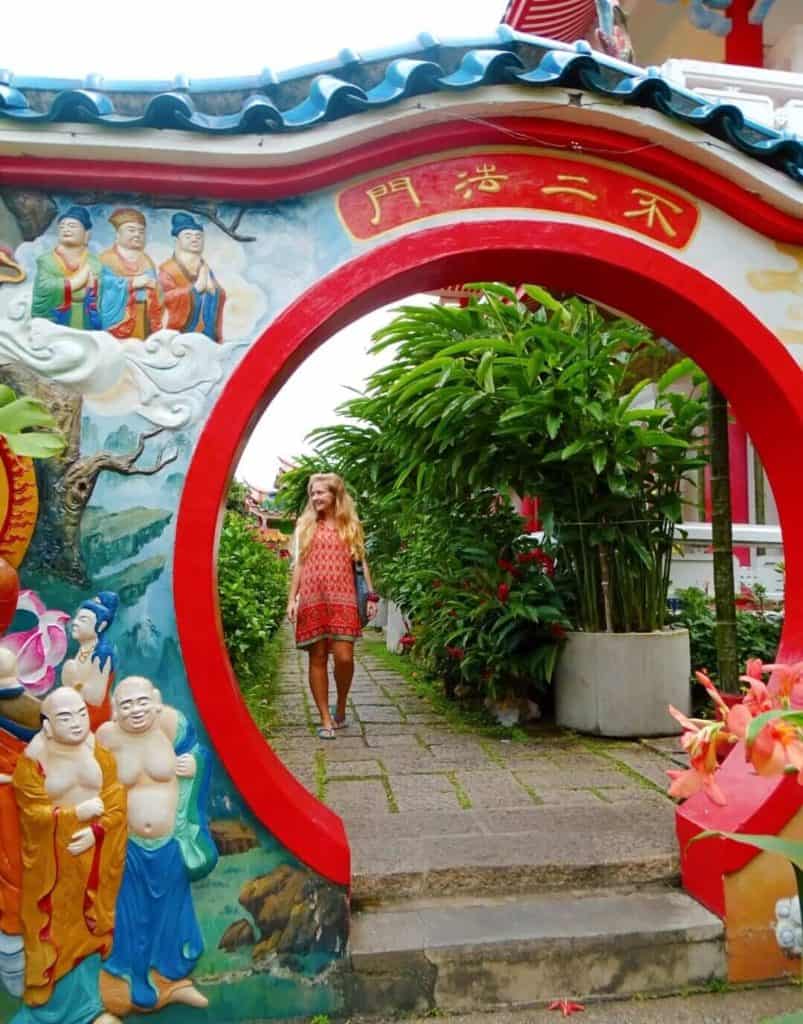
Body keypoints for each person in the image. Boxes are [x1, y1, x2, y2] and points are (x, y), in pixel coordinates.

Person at [97, 676, 217, 1016]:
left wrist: (196, 766)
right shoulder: (107, 737)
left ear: (156, 699)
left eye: (142, 701)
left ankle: (170, 976)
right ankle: (136, 977)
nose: (135, 710)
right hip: (129, 844)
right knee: (132, 914)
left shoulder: (171, 725)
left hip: (168, 843)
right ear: (115, 710)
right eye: (126, 704)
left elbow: (198, 753)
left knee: (170, 912)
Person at [11, 687, 127, 1024]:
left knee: (88, 935)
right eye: (65, 717)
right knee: (52, 939)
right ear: (47, 726)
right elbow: (32, 815)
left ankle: (88, 1009)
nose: (77, 722)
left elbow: (117, 805)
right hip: (52, 874)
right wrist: (77, 813)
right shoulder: (33, 764)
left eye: (80, 713)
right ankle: (49, 1014)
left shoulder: (100, 756)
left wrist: (96, 831)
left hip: (91, 870)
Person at [285, 474, 378, 740]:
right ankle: (325, 719)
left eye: (320, 493)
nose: (315, 498)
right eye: (312, 494)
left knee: (344, 657)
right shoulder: (305, 524)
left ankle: (341, 704)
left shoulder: (350, 524)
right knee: (317, 657)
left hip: (344, 598)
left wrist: (371, 596)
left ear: (335, 494)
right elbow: (299, 564)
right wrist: (292, 599)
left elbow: (361, 562)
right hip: (314, 597)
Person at [0, 649, 40, 998]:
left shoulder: (29, 710)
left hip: (15, 804)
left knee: (14, 877)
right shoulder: (36, 709)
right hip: (25, 804)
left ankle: (14, 960)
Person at [158, 213, 226, 341]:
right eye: (188, 236)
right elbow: (162, 298)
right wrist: (193, 290)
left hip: (206, 334)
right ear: (177, 241)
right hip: (180, 333)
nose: (195, 239)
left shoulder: (204, 268)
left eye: (198, 236)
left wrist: (214, 291)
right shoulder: (168, 269)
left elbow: (218, 295)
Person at [31, 207, 101, 330]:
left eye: (72, 226)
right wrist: (73, 283)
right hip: (57, 322)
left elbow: (103, 293)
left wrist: (93, 287)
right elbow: (43, 289)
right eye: (62, 226)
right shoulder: (47, 261)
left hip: (86, 320)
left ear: (87, 234)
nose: (66, 229)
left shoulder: (94, 263)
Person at [99, 209, 163, 340]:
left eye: (141, 232)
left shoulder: (146, 260)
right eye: (131, 230)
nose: (137, 235)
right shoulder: (106, 259)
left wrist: (154, 286)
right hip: (121, 318)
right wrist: (130, 283)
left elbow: (156, 289)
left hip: (144, 314)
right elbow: (100, 285)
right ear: (117, 235)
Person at [61, 592, 118, 732]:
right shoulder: (85, 648)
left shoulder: (102, 653)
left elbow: (95, 698)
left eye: (83, 620)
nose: (75, 623)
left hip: (92, 716)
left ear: (101, 626)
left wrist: (74, 679)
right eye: (76, 618)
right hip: (77, 709)